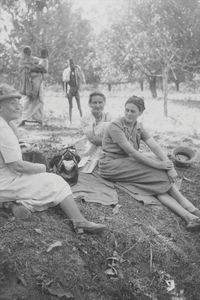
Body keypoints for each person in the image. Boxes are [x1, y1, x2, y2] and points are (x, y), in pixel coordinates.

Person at [0, 84, 106, 234]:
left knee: (41, 179)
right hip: (5, 182)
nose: (19, 107)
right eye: (12, 103)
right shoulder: (3, 130)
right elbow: (17, 166)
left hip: (5, 177)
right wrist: (42, 167)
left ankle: (11, 204)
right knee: (56, 182)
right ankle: (79, 221)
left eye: (18, 102)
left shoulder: (5, 124)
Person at [99, 95, 200, 230]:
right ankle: (190, 209)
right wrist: (159, 165)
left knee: (155, 182)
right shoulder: (115, 126)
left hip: (126, 162)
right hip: (111, 165)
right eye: (127, 110)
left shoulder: (138, 126)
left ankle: (191, 217)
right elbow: (132, 152)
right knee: (160, 174)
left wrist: (168, 164)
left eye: (133, 111)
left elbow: (154, 146)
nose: (128, 113)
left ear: (140, 113)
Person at [80, 91, 111, 173]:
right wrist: (112, 142)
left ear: (104, 103)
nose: (97, 105)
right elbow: (93, 139)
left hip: (104, 145)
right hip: (90, 146)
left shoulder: (107, 116)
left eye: (100, 102)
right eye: (94, 103)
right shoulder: (86, 118)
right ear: (89, 104)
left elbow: (113, 134)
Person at [19, 47, 48, 126]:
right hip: (30, 85)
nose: (29, 54)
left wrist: (32, 68)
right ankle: (24, 119)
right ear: (25, 53)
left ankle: (39, 120)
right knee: (28, 101)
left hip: (38, 82)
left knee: (39, 101)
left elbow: (44, 69)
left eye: (29, 52)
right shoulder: (22, 62)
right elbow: (23, 71)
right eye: (27, 52)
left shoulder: (38, 60)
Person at [65, 58, 86, 124]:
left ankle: (82, 119)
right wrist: (65, 92)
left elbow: (80, 79)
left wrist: (79, 87)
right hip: (70, 89)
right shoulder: (67, 72)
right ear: (68, 65)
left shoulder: (77, 70)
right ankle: (70, 121)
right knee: (70, 106)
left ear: (73, 64)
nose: (71, 65)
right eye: (69, 64)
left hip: (76, 89)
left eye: (72, 64)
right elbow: (65, 82)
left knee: (79, 106)